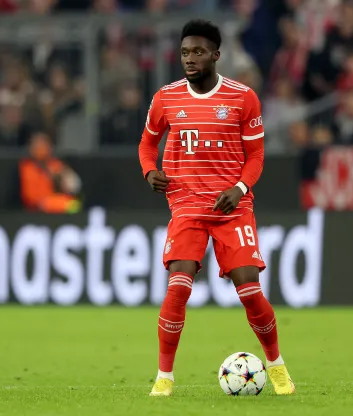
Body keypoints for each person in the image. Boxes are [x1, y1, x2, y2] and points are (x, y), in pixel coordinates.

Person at [138, 19, 295, 397]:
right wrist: (149, 172)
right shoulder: (166, 98)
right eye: (185, 53)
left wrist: (239, 188)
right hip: (187, 205)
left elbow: (256, 155)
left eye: (198, 52)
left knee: (250, 291)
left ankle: (276, 366)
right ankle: (164, 377)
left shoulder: (243, 97)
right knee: (178, 288)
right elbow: (146, 145)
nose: (189, 59)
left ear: (216, 55)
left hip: (231, 208)